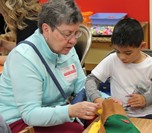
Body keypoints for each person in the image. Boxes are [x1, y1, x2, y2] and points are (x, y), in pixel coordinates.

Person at [0, 0, 99, 133]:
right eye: (67, 33)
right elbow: (30, 114)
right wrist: (70, 111)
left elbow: (81, 84)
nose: (73, 40)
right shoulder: (24, 57)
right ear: (46, 30)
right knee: (75, 130)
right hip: (19, 121)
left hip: (54, 110)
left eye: (76, 33)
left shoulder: (66, 47)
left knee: (102, 119)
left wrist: (100, 98)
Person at [85, 18, 152, 119]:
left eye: (128, 53)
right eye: (117, 51)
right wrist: (96, 98)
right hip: (116, 114)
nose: (122, 57)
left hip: (143, 115)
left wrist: (146, 99)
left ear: (142, 46)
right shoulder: (112, 60)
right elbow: (91, 79)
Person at [0, 0, 41, 65]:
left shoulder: (26, 24)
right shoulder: (31, 16)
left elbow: (21, 59)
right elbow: (24, 48)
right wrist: (4, 44)